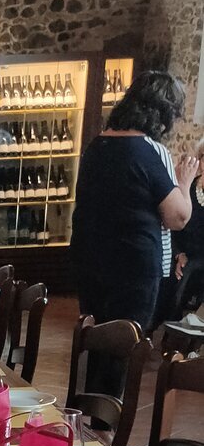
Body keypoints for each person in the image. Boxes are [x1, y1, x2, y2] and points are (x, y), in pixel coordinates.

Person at [71, 70, 196, 345]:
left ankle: (90, 375)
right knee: (125, 342)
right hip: (132, 265)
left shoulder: (97, 145)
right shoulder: (148, 151)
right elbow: (177, 217)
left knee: (95, 337)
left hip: (90, 258)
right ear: (162, 113)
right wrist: (184, 183)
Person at [171, 147, 204, 321]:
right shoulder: (187, 188)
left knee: (190, 270)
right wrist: (179, 254)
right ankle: (171, 326)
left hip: (201, 256)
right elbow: (172, 224)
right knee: (180, 272)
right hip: (183, 252)